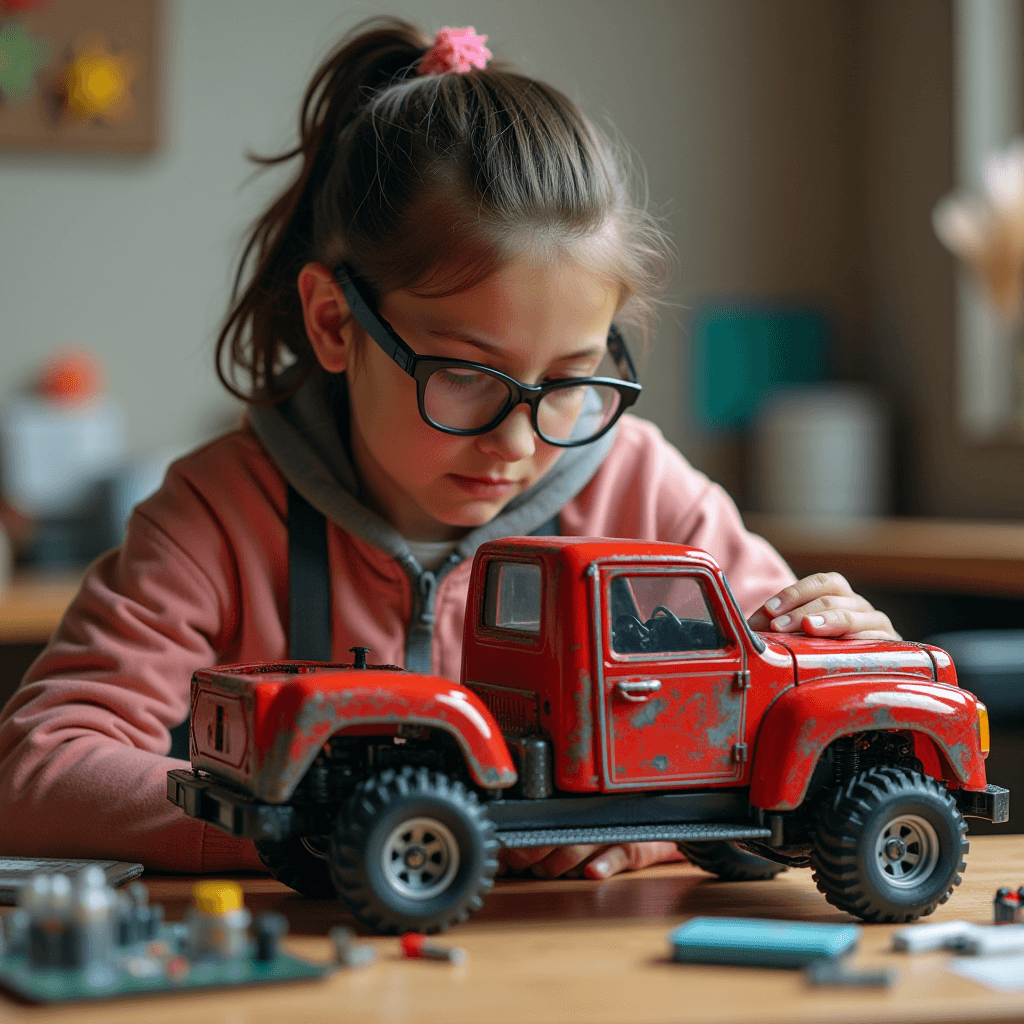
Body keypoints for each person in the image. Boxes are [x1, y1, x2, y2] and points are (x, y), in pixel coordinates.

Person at [0, 18, 898, 882]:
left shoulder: (654, 498)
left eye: (573, 377)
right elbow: (38, 774)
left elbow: (781, 744)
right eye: (468, 375)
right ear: (333, 324)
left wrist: (653, 827)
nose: (518, 439)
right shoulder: (217, 518)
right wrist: (335, 823)